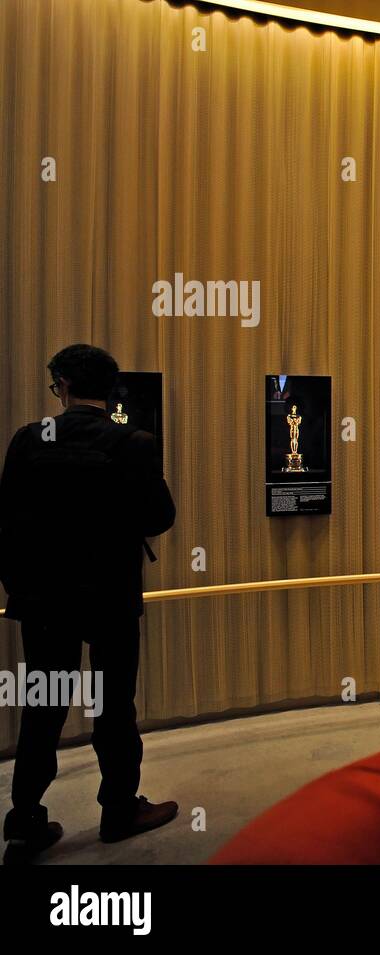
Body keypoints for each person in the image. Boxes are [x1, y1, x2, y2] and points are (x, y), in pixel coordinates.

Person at [0, 344, 178, 864]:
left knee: (42, 706)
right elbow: (160, 517)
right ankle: (119, 808)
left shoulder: (29, 440)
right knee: (114, 706)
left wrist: (20, 585)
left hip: (44, 599)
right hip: (110, 597)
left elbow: (6, 520)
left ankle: (25, 819)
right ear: (110, 389)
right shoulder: (133, 442)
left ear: (63, 386)